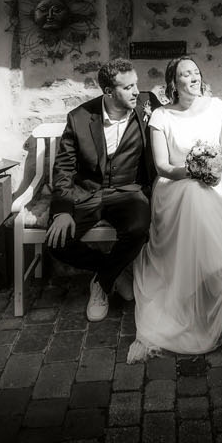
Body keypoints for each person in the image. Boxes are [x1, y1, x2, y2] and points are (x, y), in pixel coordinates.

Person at [127, 57, 222, 362]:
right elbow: (163, 166)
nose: (192, 77)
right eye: (184, 74)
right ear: (173, 85)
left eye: (195, 72)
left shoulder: (217, 107)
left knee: (204, 197)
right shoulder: (161, 117)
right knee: (195, 196)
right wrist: (193, 171)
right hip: (175, 187)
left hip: (216, 183)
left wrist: (216, 165)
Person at [46, 59, 161, 322]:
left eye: (136, 84)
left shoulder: (147, 103)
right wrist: (62, 211)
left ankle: (100, 284)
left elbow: (174, 119)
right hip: (88, 193)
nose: (136, 92)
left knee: (138, 229)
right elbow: (63, 168)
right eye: (128, 87)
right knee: (57, 243)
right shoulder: (79, 118)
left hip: (129, 192)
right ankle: (112, 272)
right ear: (108, 92)